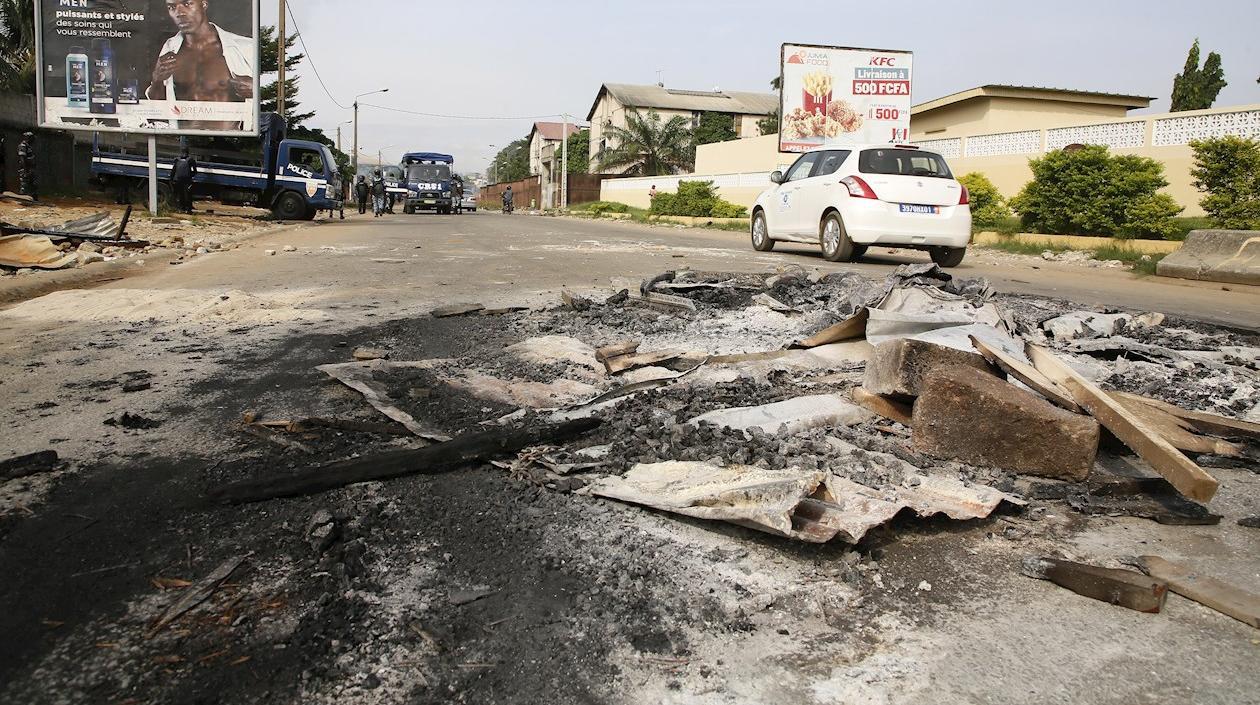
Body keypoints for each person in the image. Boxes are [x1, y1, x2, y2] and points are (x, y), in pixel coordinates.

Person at [147, 0, 256, 131]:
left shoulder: (245, 47)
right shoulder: (170, 48)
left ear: (204, 4)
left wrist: (256, 90)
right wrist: (157, 80)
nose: (179, 13)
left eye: (187, 4)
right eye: (172, 7)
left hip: (228, 142)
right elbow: (155, 106)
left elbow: (272, 98)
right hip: (185, 142)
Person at [170, 147, 197, 213]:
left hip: (178, 179)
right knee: (188, 194)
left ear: (181, 152)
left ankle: (181, 208)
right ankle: (188, 209)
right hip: (187, 180)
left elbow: (173, 170)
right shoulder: (191, 160)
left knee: (180, 194)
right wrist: (190, 176)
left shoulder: (177, 160)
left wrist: (171, 179)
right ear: (188, 152)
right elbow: (195, 171)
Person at [17, 132, 36, 200]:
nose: (33, 139)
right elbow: (22, 158)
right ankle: (22, 199)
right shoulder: (23, 146)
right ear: (28, 138)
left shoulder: (29, 146)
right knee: (24, 184)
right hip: (25, 168)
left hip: (30, 168)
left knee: (33, 184)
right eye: (31, 138)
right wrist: (25, 170)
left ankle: (34, 199)